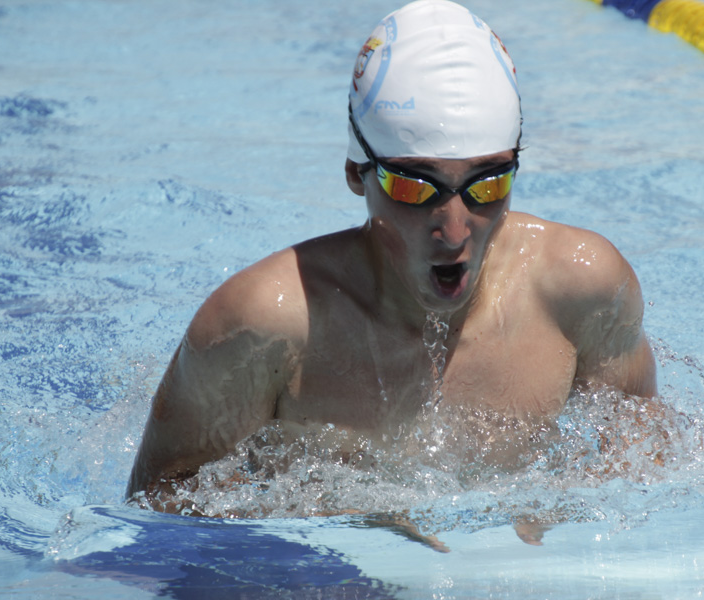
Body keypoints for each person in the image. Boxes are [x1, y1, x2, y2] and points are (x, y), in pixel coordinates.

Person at [126, 0, 660, 526]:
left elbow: (650, 470)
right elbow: (159, 516)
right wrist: (348, 524)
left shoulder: (581, 287)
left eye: (489, 183)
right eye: (413, 186)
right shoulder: (265, 325)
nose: (455, 229)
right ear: (357, 173)